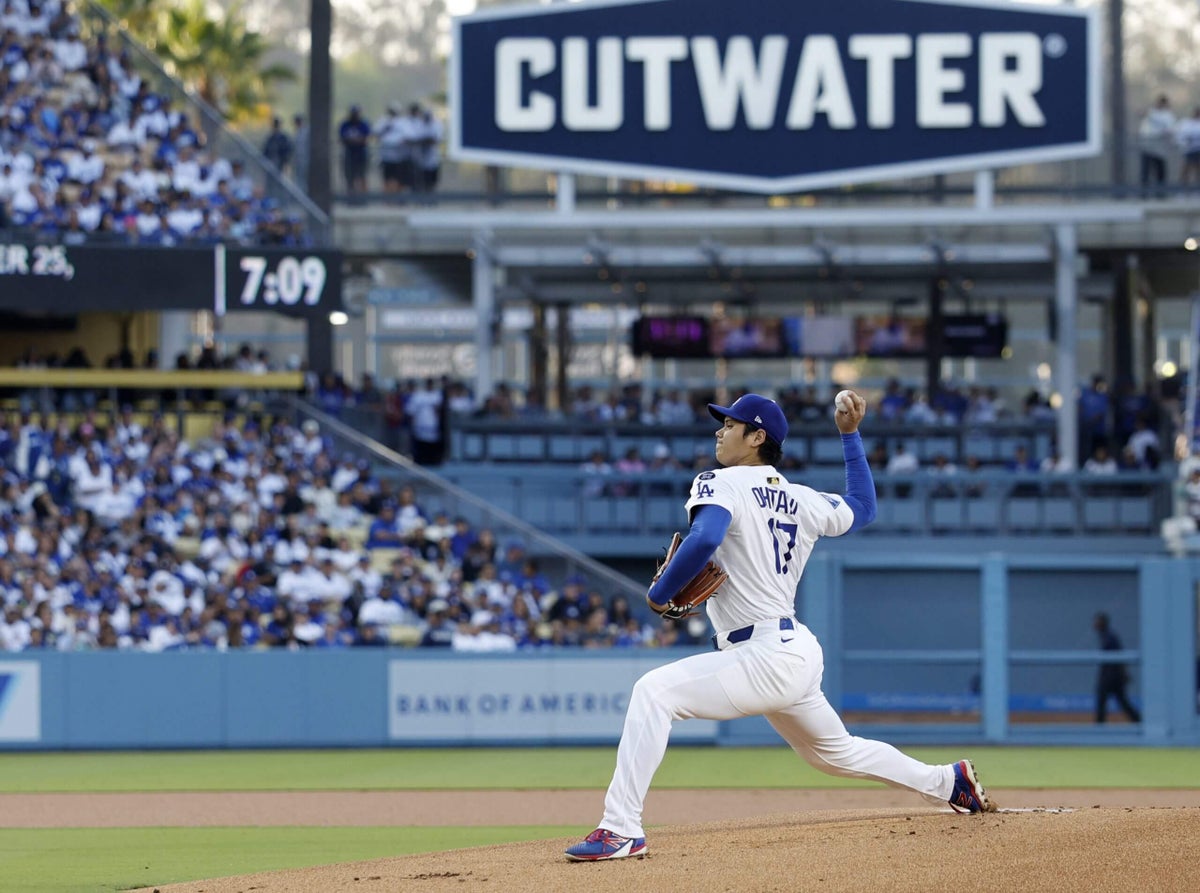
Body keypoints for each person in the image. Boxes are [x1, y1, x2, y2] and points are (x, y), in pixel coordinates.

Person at [565, 392, 995, 862]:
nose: (719, 431)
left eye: (730, 425)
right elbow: (863, 507)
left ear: (756, 437)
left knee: (654, 692)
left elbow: (705, 536)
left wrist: (660, 592)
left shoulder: (720, 482)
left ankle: (621, 829)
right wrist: (849, 436)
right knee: (835, 753)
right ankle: (948, 781)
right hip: (793, 650)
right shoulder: (801, 498)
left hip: (764, 653)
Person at [1093, 612, 1141, 724]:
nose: (1094, 624)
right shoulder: (1105, 636)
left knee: (1106, 700)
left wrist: (1123, 674)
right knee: (1119, 701)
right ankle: (1138, 720)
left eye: (1097, 621)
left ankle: (1099, 727)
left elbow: (1118, 656)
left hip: (1112, 677)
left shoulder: (1110, 637)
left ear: (1103, 622)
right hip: (1111, 676)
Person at [1137, 94, 1175, 197]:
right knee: (1145, 170)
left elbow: (1169, 130)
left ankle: (1161, 193)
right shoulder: (1151, 112)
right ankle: (1143, 194)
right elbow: (1141, 114)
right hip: (1147, 144)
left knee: (1160, 171)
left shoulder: (1168, 115)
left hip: (1159, 145)